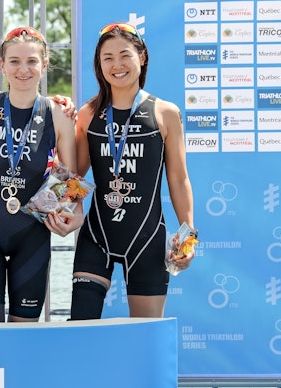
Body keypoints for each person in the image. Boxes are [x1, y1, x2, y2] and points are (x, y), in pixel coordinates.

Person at [0, 26, 84, 322]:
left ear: (44, 65)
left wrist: (77, 213)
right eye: (14, 61)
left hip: (32, 236)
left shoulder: (59, 115)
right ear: (2, 64)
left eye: (32, 61)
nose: (23, 69)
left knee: (25, 334)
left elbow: (70, 180)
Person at [70, 22, 196, 320]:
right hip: (97, 236)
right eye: (108, 58)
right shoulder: (88, 114)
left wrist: (188, 236)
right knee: (80, 328)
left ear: (142, 56)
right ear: (99, 65)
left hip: (147, 239)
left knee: (145, 335)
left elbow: (178, 180)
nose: (117, 65)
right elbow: (74, 177)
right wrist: (61, 118)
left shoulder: (165, 113)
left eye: (125, 55)